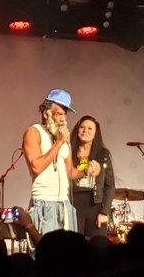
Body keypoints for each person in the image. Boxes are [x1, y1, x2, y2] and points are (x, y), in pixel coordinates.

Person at [22, 88, 92, 236]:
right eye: (59, 114)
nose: (63, 119)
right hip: (44, 204)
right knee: (46, 253)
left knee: (69, 253)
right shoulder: (34, 132)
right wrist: (59, 143)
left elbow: (71, 172)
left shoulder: (63, 139)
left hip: (64, 204)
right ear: (46, 113)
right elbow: (36, 167)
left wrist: (86, 167)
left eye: (65, 114)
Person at [70, 114, 115, 238]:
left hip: (95, 208)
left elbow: (110, 186)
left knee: (97, 247)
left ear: (96, 133)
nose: (85, 130)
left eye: (90, 128)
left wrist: (104, 212)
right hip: (73, 208)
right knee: (74, 247)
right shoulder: (68, 153)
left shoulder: (103, 155)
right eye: (82, 127)